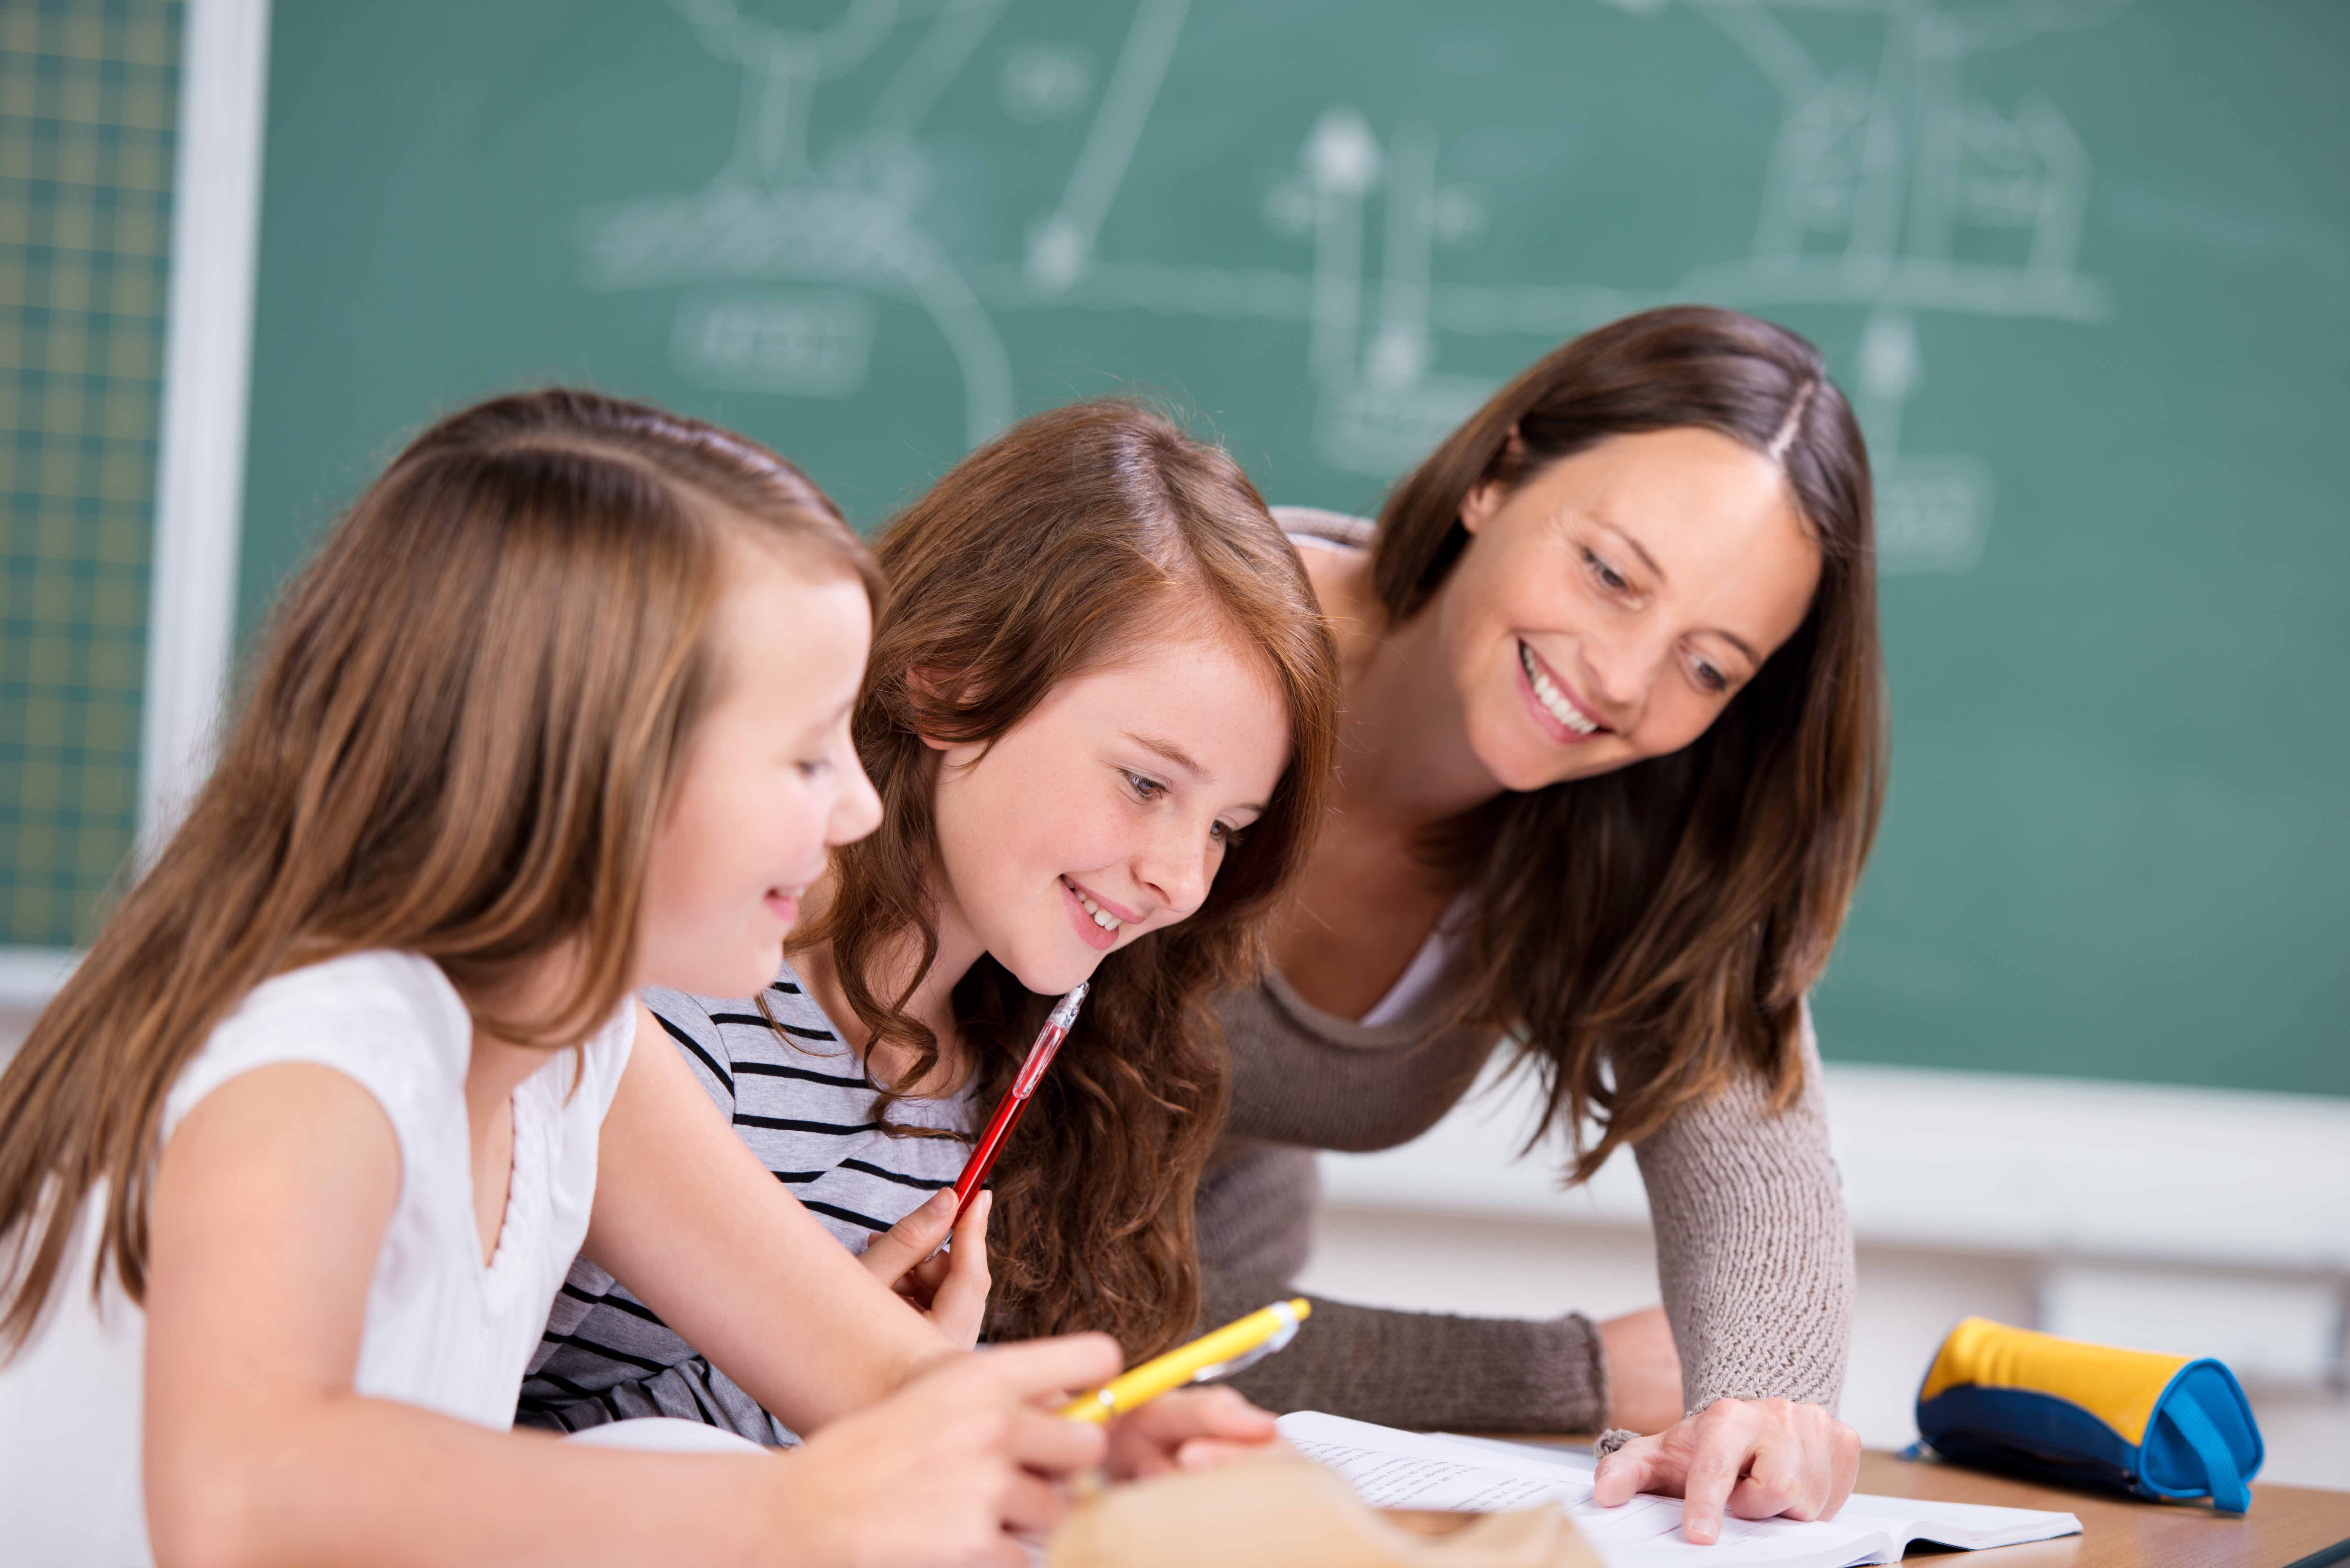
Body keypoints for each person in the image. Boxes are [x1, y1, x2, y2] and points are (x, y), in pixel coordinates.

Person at [0, 390, 1265, 1568]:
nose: (859, 807)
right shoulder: (328, 1054)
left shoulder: (576, 1046)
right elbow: (239, 1495)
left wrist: (1079, 1447)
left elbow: (866, 1363)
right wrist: (788, 1508)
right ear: (604, 763)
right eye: (803, 757)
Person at [521, 400, 1339, 1443]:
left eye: (1227, 829)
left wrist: (876, 1393)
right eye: (1144, 784)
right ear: (954, 682)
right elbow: (447, 1454)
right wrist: (877, 1395)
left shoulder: (1048, 1081)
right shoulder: (680, 1003)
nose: (1182, 879)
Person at [1197, 307, 1885, 1543]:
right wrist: (1575, 1375)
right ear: (1497, 476)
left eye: (1710, 666)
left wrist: (1764, 1409)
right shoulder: (1182, 647)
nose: (1623, 679)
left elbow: (1758, 1174)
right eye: (1613, 575)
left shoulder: (1631, 817)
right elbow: (1026, 1292)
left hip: (1200, 1385)